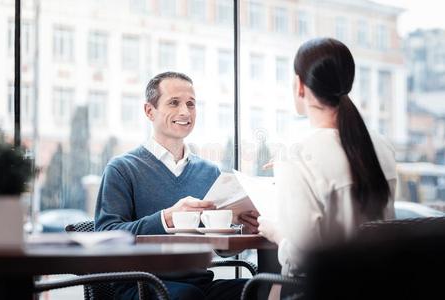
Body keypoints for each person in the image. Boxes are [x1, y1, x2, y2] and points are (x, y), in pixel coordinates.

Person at [95, 71, 255, 300]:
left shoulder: (209, 172)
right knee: (186, 296)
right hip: (140, 286)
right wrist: (166, 218)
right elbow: (105, 236)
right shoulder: (122, 168)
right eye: (174, 103)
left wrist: (243, 232)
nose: (185, 111)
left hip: (198, 284)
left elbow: (220, 248)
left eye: (191, 104)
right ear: (149, 111)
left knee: (260, 287)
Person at [257, 38, 397, 298]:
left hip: (318, 289)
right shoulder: (382, 146)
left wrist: (276, 232)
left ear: (299, 86)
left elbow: (303, 256)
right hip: (376, 286)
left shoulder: (296, 153)